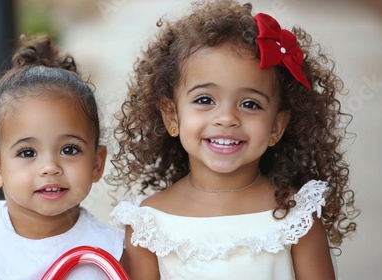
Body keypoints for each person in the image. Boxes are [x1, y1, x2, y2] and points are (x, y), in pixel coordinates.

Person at [108, 0, 358, 279]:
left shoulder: (296, 218)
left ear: (277, 125)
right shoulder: (148, 224)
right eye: (205, 100)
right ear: (172, 116)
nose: (227, 118)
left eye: (250, 104)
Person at [0, 34, 124, 280]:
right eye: (27, 152)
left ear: (97, 163)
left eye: (69, 149)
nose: (50, 167)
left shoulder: (112, 250)